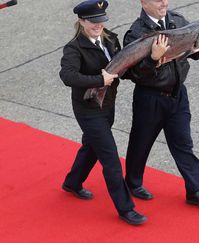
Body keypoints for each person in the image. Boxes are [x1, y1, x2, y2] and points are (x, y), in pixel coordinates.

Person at [59, 0, 152, 225]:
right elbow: (67, 76)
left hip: (107, 105)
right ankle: (126, 209)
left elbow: (124, 65)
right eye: (93, 21)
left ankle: (72, 183)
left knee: (92, 147)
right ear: (81, 21)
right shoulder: (74, 48)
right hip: (88, 110)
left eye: (101, 20)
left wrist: (153, 59)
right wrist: (99, 79)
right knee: (110, 158)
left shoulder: (110, 38)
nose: (98, 25)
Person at [123, 0, 199, 207]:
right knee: (141, 143)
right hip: (150, 98)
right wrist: (152, 59)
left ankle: (194, 190)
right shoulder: (135, 32)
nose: (164, 2)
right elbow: (133, 74)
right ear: (143, 2)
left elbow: (195, 53)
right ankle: (133, 183)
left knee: (183, 143)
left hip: (177, 94)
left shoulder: (177, 20)